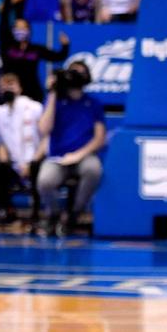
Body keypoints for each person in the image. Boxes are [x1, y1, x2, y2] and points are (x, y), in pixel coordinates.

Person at [36, 61, 104, 236]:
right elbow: (44, 129)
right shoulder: (56, 101)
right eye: (72, 73)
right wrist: (52, 93)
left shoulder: (93, 103)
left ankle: (75, 213)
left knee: (94, 169)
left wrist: (78, 155)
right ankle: (54, 215)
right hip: (58, 157)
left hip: (84, 155)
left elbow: (99, 138)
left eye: (80, 73)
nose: (75, 77)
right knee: (45, 180)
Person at [0, 73, 44, 226]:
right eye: (3, 86)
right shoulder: (0, 113)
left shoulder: (35, 108)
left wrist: (32, 161)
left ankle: (36, 212)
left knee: (38, 167)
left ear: (19, 88)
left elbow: (46, 138)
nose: (7, 88)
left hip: (35, 159)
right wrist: (5, 161)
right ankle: (8, 210)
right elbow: (1, 143)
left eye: (10, 84)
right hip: (14, 164)